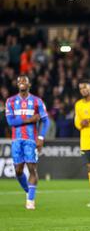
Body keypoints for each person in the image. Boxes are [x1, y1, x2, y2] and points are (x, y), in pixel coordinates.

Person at [5, 75, 50, 210]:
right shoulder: (10, 101)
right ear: (17, 84)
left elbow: (46, 121)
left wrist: (41, 137)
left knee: (32, 168)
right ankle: (28, 191)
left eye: (24, 80)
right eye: (19, 80)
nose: (22, 82)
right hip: (16, 140)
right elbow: (10, 122)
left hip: (31, 140)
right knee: (18, 171)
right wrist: (29, 120)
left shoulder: (37, 101)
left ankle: (30, 200)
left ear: (29, 84)